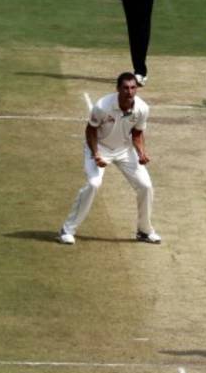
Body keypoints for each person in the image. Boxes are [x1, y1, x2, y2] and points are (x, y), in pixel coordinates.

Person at [58, 72, 161, 245]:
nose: (130, 92)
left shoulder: (142, 108)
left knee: (146, 186)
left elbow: (137, 133)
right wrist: (96, 154)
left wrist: (142, 152)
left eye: (133, 88)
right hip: (100, 147)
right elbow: (90, 131)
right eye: (126, 88)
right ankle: (67, 230)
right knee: (93, 184)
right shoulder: (102, 106)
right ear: (118, 89)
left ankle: (144, 231)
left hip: (125, 150)